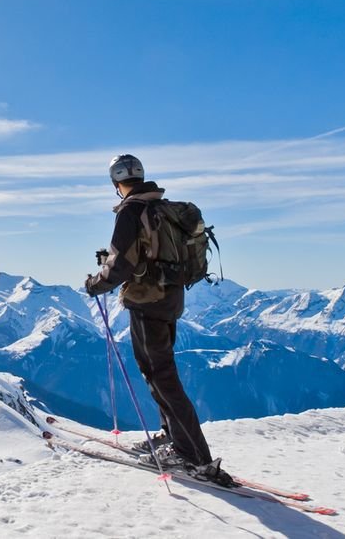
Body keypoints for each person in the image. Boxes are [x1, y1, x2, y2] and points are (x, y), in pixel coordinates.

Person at [84, 153, 233, 487]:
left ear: (115, 183)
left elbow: (122, 265)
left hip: (146, 302)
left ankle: (193, 456)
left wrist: (96, 282)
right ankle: (172, 436)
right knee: (161, 371)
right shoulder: (163, 209)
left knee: (161, 377)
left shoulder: (131, 211)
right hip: (171, 299)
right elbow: (147, 254)